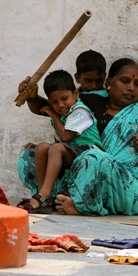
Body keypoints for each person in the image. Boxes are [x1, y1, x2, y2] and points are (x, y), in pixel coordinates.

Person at [17, 58, 138, 215]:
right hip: (80, 169)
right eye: (124, 81)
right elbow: (53, 107)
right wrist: (32, 96)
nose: (131, 88)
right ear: (109, 82)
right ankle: (48, 197)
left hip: (125, 179)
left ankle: (82, 203)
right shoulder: (91, 100)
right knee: (30, 156)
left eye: (137, 84)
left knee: (95, 158)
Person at [17, 70, 105, 213]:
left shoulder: (80, 111)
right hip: (72, 150)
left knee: (56, 148)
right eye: (54, 102)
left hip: (90, 153)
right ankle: (43, 195)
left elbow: (66, 137)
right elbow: (62, 140)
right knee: (41, 147)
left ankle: (44, 194)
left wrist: (53, 114)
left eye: (65, 98)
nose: (61, 105)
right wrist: (31, 97)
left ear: (76, 94)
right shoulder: (64, 112)